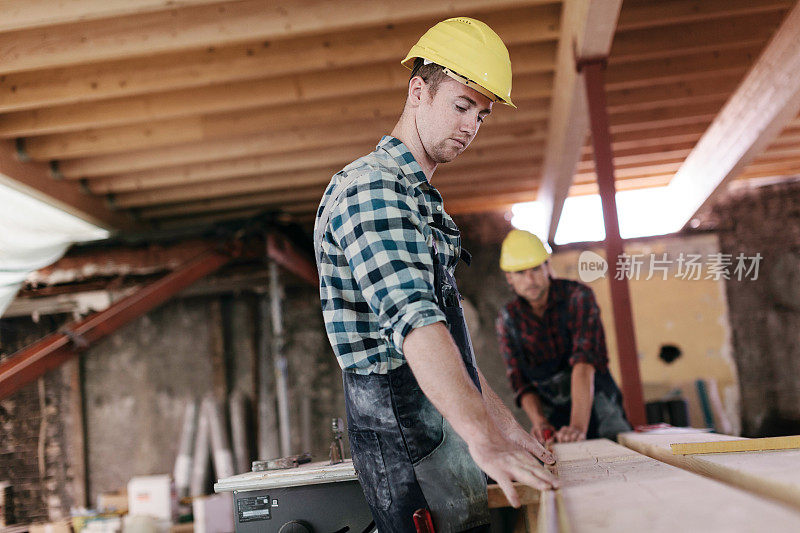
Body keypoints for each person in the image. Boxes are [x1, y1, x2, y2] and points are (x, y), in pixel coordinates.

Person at [314, 17, 557, 533]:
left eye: (482, 116)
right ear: (418, 90)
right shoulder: (372, 190)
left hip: (443, 436)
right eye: (462, 106)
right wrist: (482, 435)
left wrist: (504, 428)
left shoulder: (419, 201)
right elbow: (417, 324)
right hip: (407, 446)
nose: (471, 125)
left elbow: (451, 351)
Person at [496, 229, 632, 445]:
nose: (530, 279)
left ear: (547, 266)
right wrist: (540, 422)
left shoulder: (578, 297)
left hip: (597, 401)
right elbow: (520, 382)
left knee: (621, 454)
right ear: (509, 278)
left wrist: (577, 428)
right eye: (521, 273)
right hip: (552, 411)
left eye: (535, 269)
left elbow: (584, 363)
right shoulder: (508, 320)